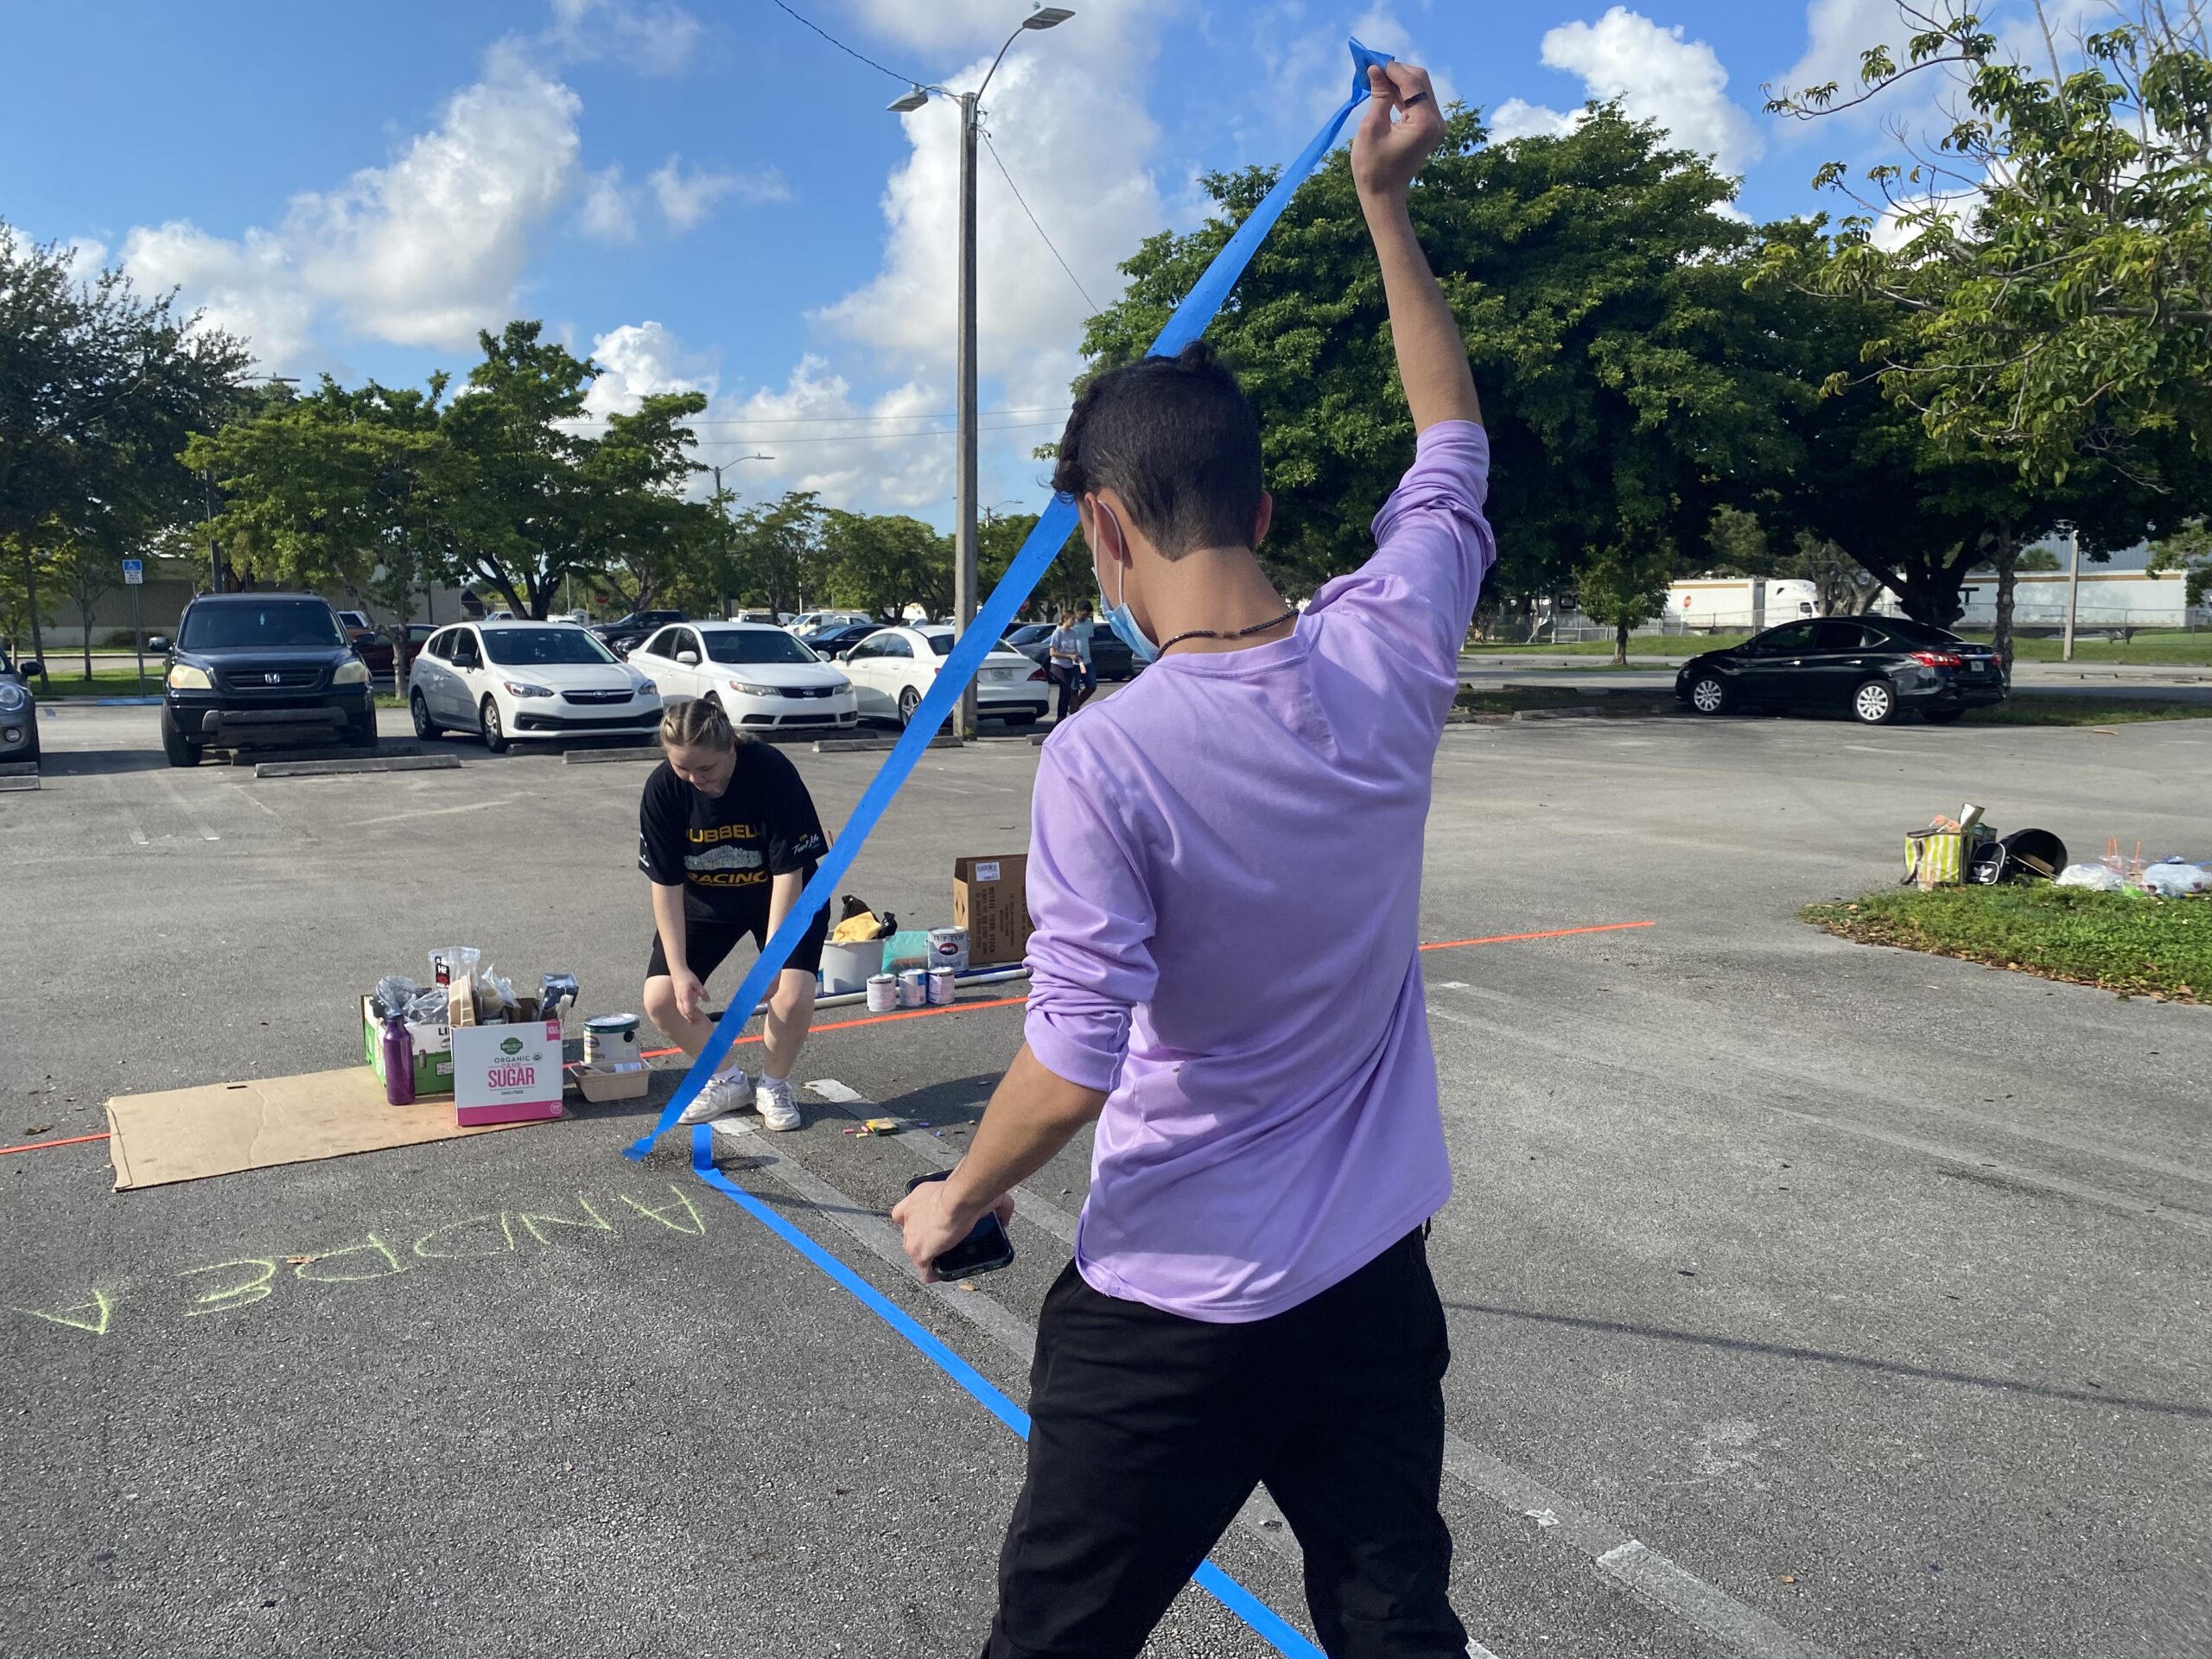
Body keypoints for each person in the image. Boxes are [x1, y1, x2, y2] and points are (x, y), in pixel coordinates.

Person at [893, 60, 1487, 1658]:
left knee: (1058, 1639)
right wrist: (1386, 202)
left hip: (1173, 1308)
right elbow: (1453, 445)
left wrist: (954, 1193)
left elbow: (1075, 1061)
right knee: (1392, 1619)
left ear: (1103, 527)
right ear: (1267, 501)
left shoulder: (1109, 756)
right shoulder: (1395, 645)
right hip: (1372, 1287)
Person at [638, 698, 830, 1132]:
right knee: (663, 999)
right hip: (707, 900)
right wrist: (680, 967)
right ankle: (726, 1080)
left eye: (703, 769)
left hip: (781, 894)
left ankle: (774, 1084)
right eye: (681, 768)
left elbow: (788, 873)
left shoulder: (769, 771)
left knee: (792, 994)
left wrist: (774, 961)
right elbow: (665, 885)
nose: (693, 779)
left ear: (731, 748)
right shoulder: (664, 788)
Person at [1046, 609, 1084, 723]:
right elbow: (1052, 653)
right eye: (1072, 619)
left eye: (1075, 620)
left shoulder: (1073, 633)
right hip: (1058, 665)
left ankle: (1066, 716)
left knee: (1070, 691)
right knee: (1065, 688)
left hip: (1070, 666)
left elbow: (1075, 650)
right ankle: (1060, 717)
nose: (1074, 622)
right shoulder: (1058, 633)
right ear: (1064, 619)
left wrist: (1078, 658)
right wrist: (1068, 656)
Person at [1070, 596, 1098, 709]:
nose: (1085, 617)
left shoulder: (1089, 623)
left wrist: (1090, 654)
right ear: (1077, 612)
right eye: (1083, 614)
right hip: (1073, 662)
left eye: (1087, 615)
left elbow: (1090, 639)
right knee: (1074, 689)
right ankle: (1074, 710)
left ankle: (1074, 706)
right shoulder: (1070, 623)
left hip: (1087, 660)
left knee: (1092, 686)